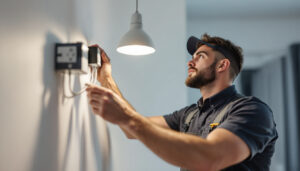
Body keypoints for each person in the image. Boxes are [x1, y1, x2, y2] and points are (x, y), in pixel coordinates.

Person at [86, 34, 278, 171]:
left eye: (200, 56)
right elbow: (132, 129)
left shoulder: (252, 111)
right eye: (192, 57)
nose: (190, 62)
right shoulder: (189, 115)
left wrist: (127, 119)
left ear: (222, 65)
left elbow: (210, 158)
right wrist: (107, 80)